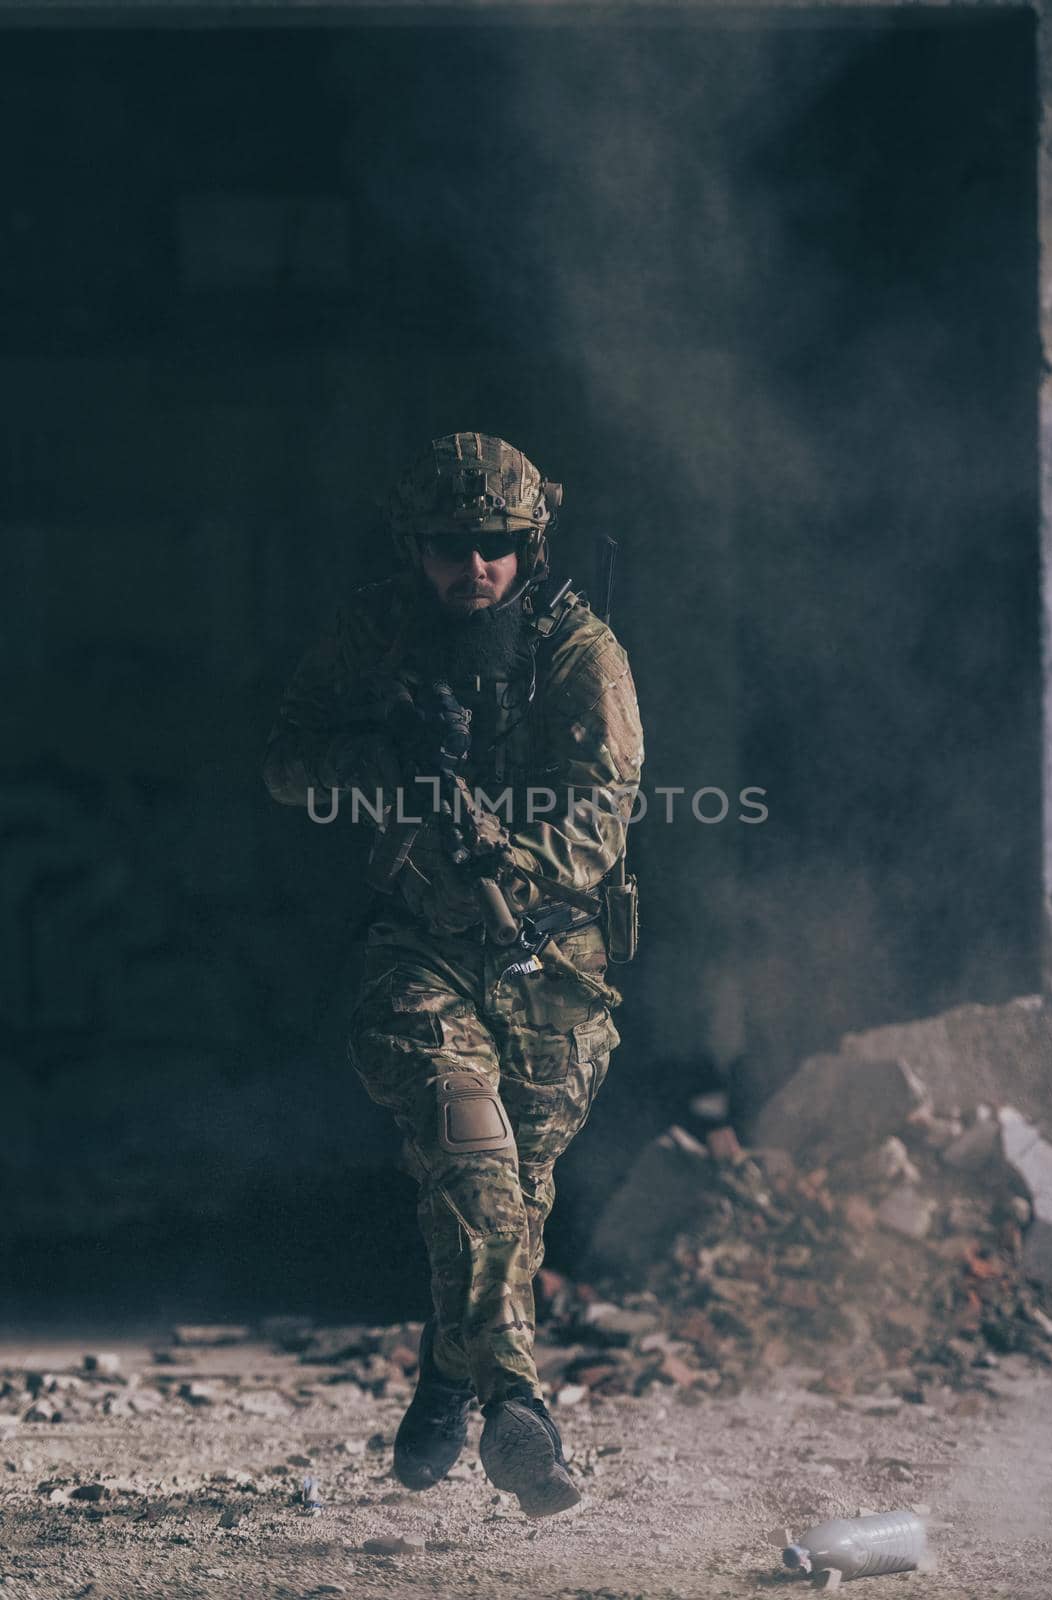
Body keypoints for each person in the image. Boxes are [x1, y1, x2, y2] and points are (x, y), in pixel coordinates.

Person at [263, 432, 643, 1518]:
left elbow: (598, 824)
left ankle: (447, 1358)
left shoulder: (578, 653)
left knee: (510, 1199)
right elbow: (284, 759)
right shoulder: (374, 633)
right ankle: (519, 1405)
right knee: (468, 1145)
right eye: (445, 544)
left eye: (492, 545)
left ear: (528, 545)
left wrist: (499, 846)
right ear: (412, 544)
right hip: (421, 946)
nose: (468, 567)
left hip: (550, 957)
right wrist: (375, 760)